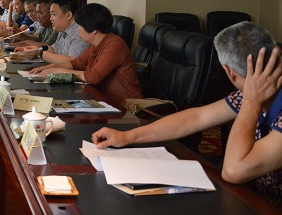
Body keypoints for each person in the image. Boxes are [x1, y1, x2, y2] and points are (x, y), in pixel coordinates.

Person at [91, 22, 282, 208]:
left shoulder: (250, 98)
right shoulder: (249, 94)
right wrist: (128, 136)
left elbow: (233, 171)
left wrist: (250, 102)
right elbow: (196, 118)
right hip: (250, 199)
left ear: (229, 72)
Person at [30, 3, 142, 105]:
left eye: (80, 26)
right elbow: (76, 63)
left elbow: (93, 77)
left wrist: (62, 72)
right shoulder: (94, 44)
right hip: (100, 99)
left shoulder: (114, 45)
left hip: (124, 105)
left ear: (94, 30)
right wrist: (49, 68)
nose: (78, 30)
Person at [18, 0, 88, 62]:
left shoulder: (79, 32)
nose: (51, 18)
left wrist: (41, 54)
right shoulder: (62, 30)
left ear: (68, 15)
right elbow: (53, 49)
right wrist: (36, 50)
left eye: (53, 14)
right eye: (50, 15)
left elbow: (73, 61)